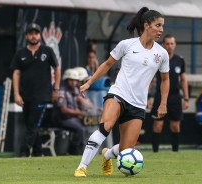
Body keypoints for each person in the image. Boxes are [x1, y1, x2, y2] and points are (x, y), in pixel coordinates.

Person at [74, 7, 169, 177]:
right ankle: (82, 167)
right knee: (105, 127)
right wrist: (89, 82)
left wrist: (162, 103)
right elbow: (107, 64)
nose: (161, 30)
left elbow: (166, 79)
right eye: (158, 25)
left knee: (126, 150)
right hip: (118, 94)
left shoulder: (161, 54)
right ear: (146, 25)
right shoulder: (126, 44)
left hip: (138, 104)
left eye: (162, 26)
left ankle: (107, 155)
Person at [11, 23, 61, 157]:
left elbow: (57, 68)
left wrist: (56, 89)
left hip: (42, 95)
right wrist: (16, 94)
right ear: (26, 35)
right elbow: (15, 73)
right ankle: (38, 153)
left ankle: (24, 152)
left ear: (40, 35)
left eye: (36, 33)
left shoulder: (47, 51)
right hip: (25, 96)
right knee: (31, 125)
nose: (34, 36)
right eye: (31, 33)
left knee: (32, 125)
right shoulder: (20, 53)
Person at [150, 34, 189, 152]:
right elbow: (150, 79)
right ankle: (155, 151)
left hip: (175, 97)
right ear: (163, 45)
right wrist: (147, 97)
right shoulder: (157, 59)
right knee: (158, 125)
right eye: (167, 44)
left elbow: (183, 79)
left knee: (175, 126)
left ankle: (175, 151)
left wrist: (186, 98)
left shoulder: (179, 60)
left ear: (175, 45)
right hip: (159, 95)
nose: (169, 46)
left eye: (172, 44)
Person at [57, 69, 86, 155]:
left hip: (73, 118)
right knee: (80, 128)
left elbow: (81, 102)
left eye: (76, 81)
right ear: (66, 80)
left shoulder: (75, 90)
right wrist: (78, 113)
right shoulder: (62, 91)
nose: (74, 83)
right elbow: (63, 110)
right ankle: (73, 150)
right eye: (71, 80)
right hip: (63, 119)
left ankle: (82, 149)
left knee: (86, 125)